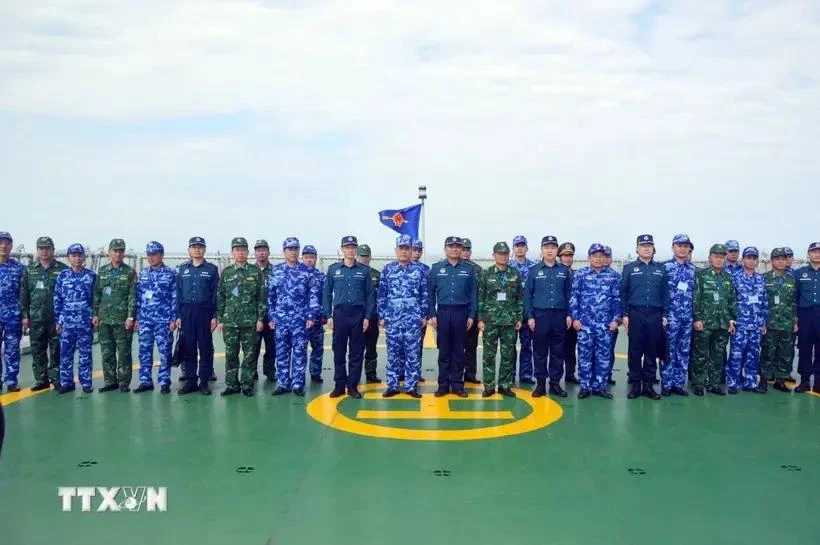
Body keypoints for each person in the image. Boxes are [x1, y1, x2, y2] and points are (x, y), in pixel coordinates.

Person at [323, 236, 374, 399]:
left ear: (356, 250)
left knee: (356, 352)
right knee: (338, 351)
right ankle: (339, 385)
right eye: (347, 247)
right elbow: (326, 294)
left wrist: (367, 317)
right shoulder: (333, 270)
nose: (350, 250)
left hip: (358, 314)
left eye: (353, 247)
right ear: (342, 249)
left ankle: (352, 386)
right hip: (340, 314)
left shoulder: (364, 271)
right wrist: (328, 315)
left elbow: (370, 296)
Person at [269, 238, 321, 397]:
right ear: (284, 251)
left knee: (299, 352)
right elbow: (271, 296)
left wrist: (311, 315)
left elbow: (313, 295)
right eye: (289, 249)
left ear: (298, 251)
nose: (292, 252)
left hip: (300, 321)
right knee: (281, 352)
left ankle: (298, 384)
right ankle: (283, 383)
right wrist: (271, 317)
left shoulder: (306, 271)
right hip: (281, 320)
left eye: (295, 249)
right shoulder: (276, 270)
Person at [378, 235, 428, 398]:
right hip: (393, 319)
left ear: (411, 250)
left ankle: (411, 386)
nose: (404, 252)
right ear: (396, 250)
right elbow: (382, 294)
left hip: (413, 319)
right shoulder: (388, 269)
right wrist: (382, 315)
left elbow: (424, 294)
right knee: (393, 353)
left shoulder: (419, 270)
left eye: (407, 248)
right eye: (401, 248)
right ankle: (392, 385)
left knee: (412, 353)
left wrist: (423, 315)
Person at [569, 244, 621, 399]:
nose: (598, 259)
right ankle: (585, 386)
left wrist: (616, 320)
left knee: (603, 357)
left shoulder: (612, 276)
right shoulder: (581, 275)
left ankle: (600, 387)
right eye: (595, 256)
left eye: (601, 256)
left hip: (605, 325)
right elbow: (574, 298)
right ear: (589, 258)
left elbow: (617, 299)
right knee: (584, 357)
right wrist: (575, 318)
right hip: (585, 324)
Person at [428, 236, 477, 398]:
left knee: (459, 351)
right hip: (443, 313)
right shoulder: (436, 268)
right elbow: (430, 294)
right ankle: (443, 385)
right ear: (445, 249)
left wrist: (471, 315)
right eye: (451, 246)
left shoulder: (469, 269)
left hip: (461, 313)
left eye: (458, 246)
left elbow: (473, 294)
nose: (455, 249)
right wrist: (432, 315)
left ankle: (457, 384)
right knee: (444, 350)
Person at [620, 234, 668, 400]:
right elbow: (623, 293)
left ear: (653, 248)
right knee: (634, 350)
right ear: (637, 248)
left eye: (649, 245)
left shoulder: (661, 269)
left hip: (655, 314)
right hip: (636, 313)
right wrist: (625, 314)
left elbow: (665, 293)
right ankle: (635, 384)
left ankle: (648, 385)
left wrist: (665, 314)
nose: (646, 248)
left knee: (651, 350)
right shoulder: (629, 269)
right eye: (643, 245)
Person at [523, 235, 571, 398]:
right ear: (542, 250)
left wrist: (569, 314)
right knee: (540, 351)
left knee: (558, 351)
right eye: (546, 247)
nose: (549, 250)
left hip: (559, 315)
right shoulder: (534, 271)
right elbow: (528, 295)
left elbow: (569, 294)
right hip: (540, 316)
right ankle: (541, 384)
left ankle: (555, 383)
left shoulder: (564, 271)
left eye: (552, 247)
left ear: (556, 250)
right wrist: (529, 316)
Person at [217, 237, 266, 397]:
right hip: (230, 322)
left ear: (247, 252)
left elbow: (261, 297)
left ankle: (247, 385)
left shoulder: (255, 272)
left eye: (243, 249)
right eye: (237, 249)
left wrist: (260, 319)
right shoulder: (226, 272)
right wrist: (220, 319)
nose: (240, 252)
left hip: (250, 322)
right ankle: (231, 385)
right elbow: (221, 297)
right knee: (231, 355)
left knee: (249, 356)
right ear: (232, 252)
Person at [21, 236, 67, 390]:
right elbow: (24, 294)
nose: (44, 251)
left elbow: (66, 295)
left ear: (53, 250)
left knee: (57, 349)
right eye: (41, 248)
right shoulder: (29, 270)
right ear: (37, 250)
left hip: (55, 318)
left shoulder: (62, 270)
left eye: (47, 248)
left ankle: (56, 379)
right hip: (36, 318)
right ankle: (41, 380)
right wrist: (25, 316)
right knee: (38, 349)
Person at [478, 242, 523, 397]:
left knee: (508, 355)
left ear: (509, 255)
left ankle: (504, 385)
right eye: (499, 253)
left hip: (509, 322)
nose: (502, 256)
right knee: (488, 355)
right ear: (494, 255)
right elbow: (481, 297)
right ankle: (489, 386)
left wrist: (519, 317)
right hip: (490, 321)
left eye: (505, 253)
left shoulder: (515, 274)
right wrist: (480, 319)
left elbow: (519, 298)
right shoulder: (486, 273)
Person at [691, 244, 737, 396]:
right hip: (704, 323)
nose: (719, 259)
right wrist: (697, 318)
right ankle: (699, 383)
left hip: (722, 323)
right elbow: (696, 298)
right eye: (716, 256)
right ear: (710, 257)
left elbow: (732, 301)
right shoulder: (701, 276)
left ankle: (714, 383)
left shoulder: (728, 278)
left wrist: (731, 320)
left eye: (722, 257)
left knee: (718, 355)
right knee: (701, 355)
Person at [92, 238, 137, 393]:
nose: (118, 254)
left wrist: (131, 317)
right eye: (115, 251)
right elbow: (97, 294)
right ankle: (110, 381)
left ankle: (124, 382)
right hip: (105, 319)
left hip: (122, 319)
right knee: (107, 352)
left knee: (124, 352)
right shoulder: (102, 271)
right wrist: (95, 314)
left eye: (120, 251)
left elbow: (132, 297)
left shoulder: (130, 272)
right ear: (109, 252)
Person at [176, 236, 219, 395]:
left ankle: (204, 381)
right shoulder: (182, 269)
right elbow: (178, 294)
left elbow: (216, 294)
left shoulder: (211, 270)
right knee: (189, 346)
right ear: (189, 250)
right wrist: (178, 315)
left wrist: (215, 315)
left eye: (200, 246)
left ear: (204, 249)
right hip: (187, 311)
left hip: (205, 311)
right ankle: (191, 380)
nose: (197, 249)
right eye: (194, 246)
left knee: (205, 347)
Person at [134, 241, 178, 394]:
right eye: (149, 254)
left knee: (165, 352)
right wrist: (137, 318)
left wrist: (173, 318)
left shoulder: (171, 274)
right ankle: (145, 381)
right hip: (145, 320)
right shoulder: (143, 274)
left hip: (163, 320)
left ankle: (164, 381)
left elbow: (175, 297)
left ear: (161, 255)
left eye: (155, 254)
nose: (151, 257)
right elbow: (138, 297)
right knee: (144, 351)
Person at [54, 244, 96, 394]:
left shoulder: (91, 276)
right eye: (74, 255)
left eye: (80, 255)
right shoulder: (62, 276)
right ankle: (66, 382)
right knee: (65, 354)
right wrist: (58, 320)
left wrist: (94, 317)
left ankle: (86, 382)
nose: (77, 258)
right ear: (68, 258)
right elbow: (57, 299)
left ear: (84, 257)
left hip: (85, 322)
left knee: (85, 353)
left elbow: (95, 299)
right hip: (67, 322)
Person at [726, 247, 768, 394]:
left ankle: (750, 382)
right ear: (742, 260)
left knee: (753, 355)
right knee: (736, 355)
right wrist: (731, 321)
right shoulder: (735, 278)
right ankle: (733, 382)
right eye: (748, 258)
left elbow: (764, 302)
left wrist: (763, 322)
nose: (751, 261)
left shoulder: (761, 279)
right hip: (741, 324)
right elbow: (730, 301)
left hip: (756, 324)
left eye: (754, 258)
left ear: (757, 261)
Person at [661, 234, 695, 397]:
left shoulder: (694, 270)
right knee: (668, 351)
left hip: (687, 318)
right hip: (670, 318)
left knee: (683, 352)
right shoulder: (664, 268)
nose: (682, 248)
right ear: (673, 247)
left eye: (685, 246)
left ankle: (678, 384)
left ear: (689, 249)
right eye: (679, 245)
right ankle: (666, 384)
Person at [760, 247, 796, 393]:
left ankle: (780, 380)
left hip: (787, 322)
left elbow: (794, 302)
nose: (781, 262)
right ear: (772, 261)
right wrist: (762, 322)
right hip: (770, 322)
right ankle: (763, 379)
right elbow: (761, 302)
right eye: (777, 259)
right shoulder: (764, 278)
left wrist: (795, 321)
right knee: (767, 351)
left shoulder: (792, 279)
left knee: (784, 353)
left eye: (783, 259)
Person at [508, 235, 536, 384]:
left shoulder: (533, 267)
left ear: (526, 248)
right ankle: (509, 374)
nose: (520, 248)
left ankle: (525, 374)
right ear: (513, 248)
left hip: (527, 313)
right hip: (511, 314)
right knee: (510, 346)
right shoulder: (508, 267)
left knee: (527, 345)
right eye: (517, 246)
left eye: (522, 245)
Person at [794, 241, 820, 394]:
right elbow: (794, 298)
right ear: (808, 254)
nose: (817, 254)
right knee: (804, 348)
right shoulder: (799, 273)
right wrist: (796, 319)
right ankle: (804, 380)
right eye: (814, 251)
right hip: (805, 315)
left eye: (819, 251)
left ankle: (818, 381)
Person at [0, 232, 25, 393]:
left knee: (12, 350)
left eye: (7, 243)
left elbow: (24, 294)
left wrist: (24, 315)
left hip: (13, 317)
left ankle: (12, 380)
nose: (4, 246)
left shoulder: (19, 268)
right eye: (1, 243)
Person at [356, 244, 381, 383]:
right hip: (357, 316)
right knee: (356, 347)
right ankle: (355, 374)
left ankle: (371, 374)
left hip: (372, 316)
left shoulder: (376, 274)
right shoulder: (353, 273)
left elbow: (381, 296)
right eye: (361, 256)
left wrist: (380, 315)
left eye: (366, 256)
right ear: (357, 256)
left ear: (370, 257)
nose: (364, 259)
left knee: (371, 346)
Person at [302, 245, 326, 383]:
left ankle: (315, 373)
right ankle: (299, 374)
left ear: (316, 259)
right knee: (301, 349)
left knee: (317, 348)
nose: (309, 260)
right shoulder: (297, 274)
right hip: (301, 320)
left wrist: (324, 314)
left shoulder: (320, 277)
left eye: (312, 257)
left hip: (317, 320)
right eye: (306, 257)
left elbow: (325, 297)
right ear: (302, 258)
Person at [253, 240, 276, 382]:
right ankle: (252, 371)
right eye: (258, 250)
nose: (261, 252)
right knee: (253, 346)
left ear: (268, 252)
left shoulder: (275, 271)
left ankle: (269, 371)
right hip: (253, 315)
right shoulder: (250, 270)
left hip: (270, 315)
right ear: (254, 253)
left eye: (264, 250)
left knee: (271, 345)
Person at [460, 238, 482, 383]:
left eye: (468, 249)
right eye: (463, 249)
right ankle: (455, 374)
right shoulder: (451, 266)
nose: (465, 252)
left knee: (471, 346)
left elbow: (480, 293)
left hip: (472, 313)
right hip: (457, 313)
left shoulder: (477, 269)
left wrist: (478, 316)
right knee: (455, 346)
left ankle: (470, 374)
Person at [558, 242, 579, 384]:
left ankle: (570, 373)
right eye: (565, 255)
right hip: (559, 316)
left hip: (574, 316)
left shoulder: (577, 274)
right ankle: (556, 376)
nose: (567, 258)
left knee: (571, 346)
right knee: (557, 347)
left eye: (570, 255)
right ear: (560, 257)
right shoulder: (556, 273)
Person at [411, 239, 429, 384]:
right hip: (401, 315)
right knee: (400, 345)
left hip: (419, 314)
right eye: (414, 250)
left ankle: (415, 372)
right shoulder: (399, 267)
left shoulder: (425, 269)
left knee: (418, 345)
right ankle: (400, 373)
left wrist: (425, 314)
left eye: (419, 250)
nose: (417, 253)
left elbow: (427, 293)